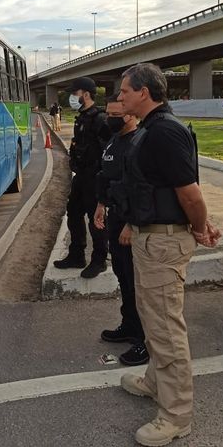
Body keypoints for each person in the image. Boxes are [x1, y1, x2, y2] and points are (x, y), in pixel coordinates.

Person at [117, 63, 220, 447]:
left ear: (144, 93)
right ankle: (155, 382)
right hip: (151, 239)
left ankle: (177, 415)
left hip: (164, 243)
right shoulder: (150, 129)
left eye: (125, 90)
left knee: (165, 328)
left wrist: (199, 226)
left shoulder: (164, 132)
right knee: (153, 317)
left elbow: (190, 193)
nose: (121, 97)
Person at [93, 94, 148, 366]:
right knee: (123, 277)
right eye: (108, 113)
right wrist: (101, 204)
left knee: (137, 281)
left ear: (129, 114)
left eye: (115, 114)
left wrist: (131, 223)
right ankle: (128, 325)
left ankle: (144, 341)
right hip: (114, 216)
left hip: (131, 221)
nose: (110, 119)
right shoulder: (115, 141)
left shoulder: (139, 142)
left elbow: (140, 188)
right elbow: (106, 175)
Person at [54, 77, 111, 277]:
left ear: (86, 94)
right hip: (81, 176)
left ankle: (99, 260)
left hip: (95, 178)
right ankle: (77, 255)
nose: (72, 97)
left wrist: (103, 182)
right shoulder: (82, 117)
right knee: (74, 213)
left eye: (75, 93)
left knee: (96, 220)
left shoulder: (100, 119)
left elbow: (107, 152)